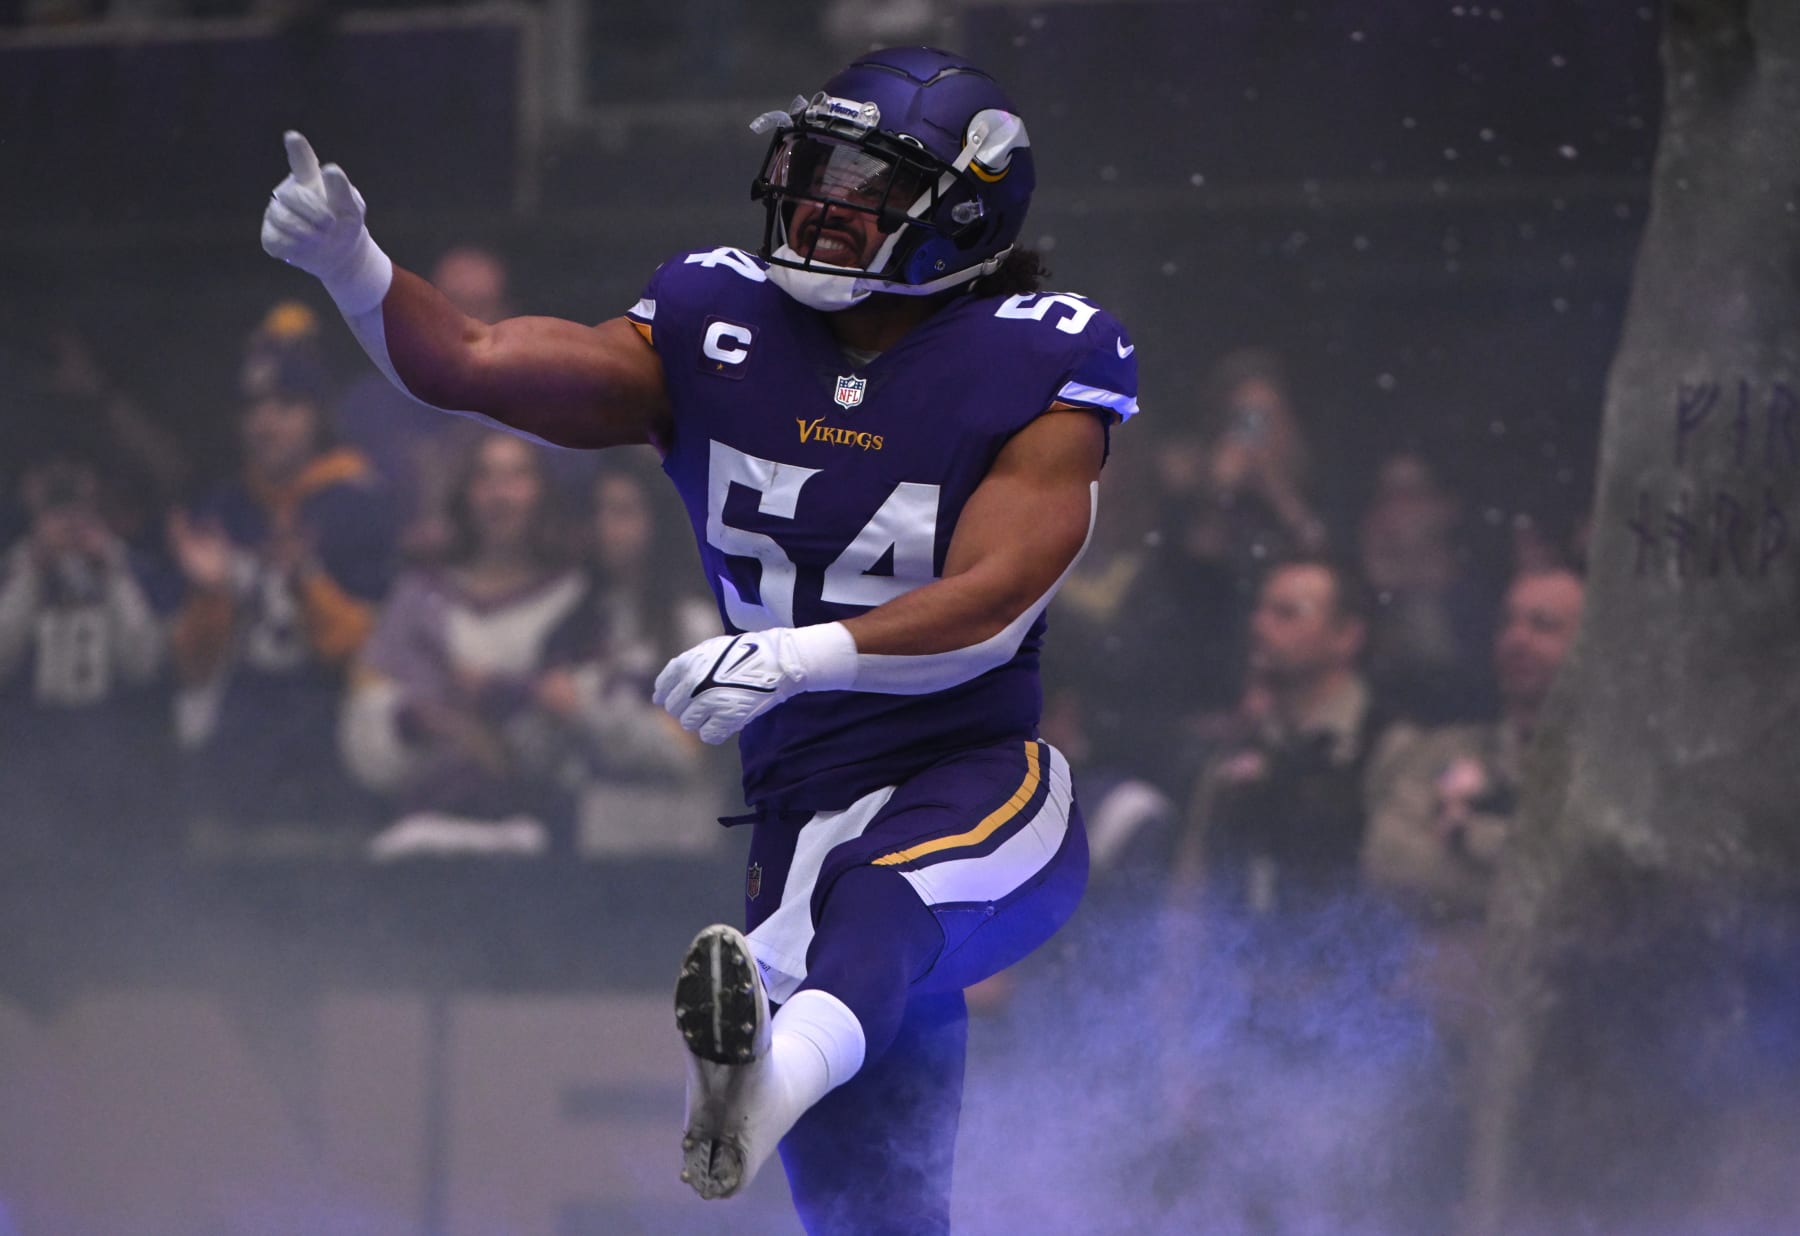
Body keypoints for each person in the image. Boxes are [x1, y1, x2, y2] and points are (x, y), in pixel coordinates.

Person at [260, 46, 1137, 1234]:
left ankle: (762, 1072)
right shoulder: (721, 321)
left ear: (964, 211)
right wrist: (353, 266)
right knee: (875, 1219)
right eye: (815, 170)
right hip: (797, 819)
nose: (822, 205)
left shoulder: (1038, 353)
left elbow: (1000, 594)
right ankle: (769, 1066)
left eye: (867, 186)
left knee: (874, 904)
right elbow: (471, 362)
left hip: (974, 777)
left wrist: (802, 655)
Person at [166, 306, 395, 843]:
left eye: (286, 406)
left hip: (331, 746)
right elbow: (190, 667)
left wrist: (305, 579)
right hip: (236, 750)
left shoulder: (358, 504)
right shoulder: (222, 509)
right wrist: (212, 593)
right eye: (253, 408)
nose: (265, 424)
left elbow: (371, 653)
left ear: (318, 414)